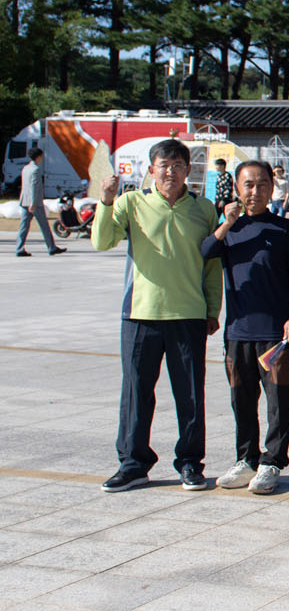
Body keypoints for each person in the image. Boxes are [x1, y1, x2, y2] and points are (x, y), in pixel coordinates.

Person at [92, 138, 223, 492]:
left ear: (188, 170)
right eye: (164, 165)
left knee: (190, 394)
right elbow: (102, 241)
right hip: (140, 313)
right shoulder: (131, 203)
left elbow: (212, 265)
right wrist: (106, 201)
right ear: (151, 170)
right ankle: (133, 464)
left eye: (178, 165)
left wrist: (213, 309)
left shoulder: (204, 209)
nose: (171, 172)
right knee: (136, 392)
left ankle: (190, 462)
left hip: (188, 314)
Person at [202, 160, 289, 496]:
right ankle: (246, 459)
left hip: (276, 335)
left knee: (278, 400)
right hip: (238, 332)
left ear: (271, 188)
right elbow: (205, 251)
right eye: (248, 184)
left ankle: (272, 461)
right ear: (237, 188)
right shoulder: (230, 229)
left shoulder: (286, 229)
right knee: (242, 399)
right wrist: (226, 223)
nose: (255, 191)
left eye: (262, 184)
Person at [15, 147, 64, 257]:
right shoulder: (36, 170)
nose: (42, 159)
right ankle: (51, 247)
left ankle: (19, 248)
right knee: (44, 225)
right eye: (41, 156)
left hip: (24, 201)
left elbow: (25, 186)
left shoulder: (25, 168)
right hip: (35, 203)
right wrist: (33, 202)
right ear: (38, 157)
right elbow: (34, 187)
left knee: (24, 226)